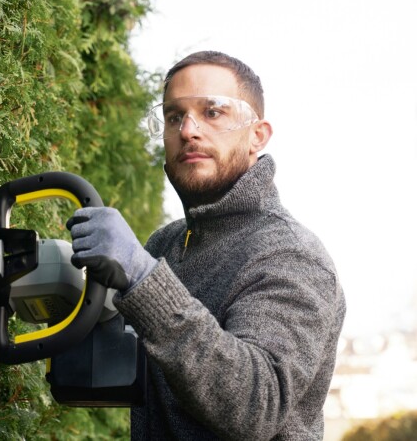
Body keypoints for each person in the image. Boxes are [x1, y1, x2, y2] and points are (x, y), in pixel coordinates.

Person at [67, 51, 346, 440]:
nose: (188, 130)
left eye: (213, 112)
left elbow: (255, 405)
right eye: (174, 116)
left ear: (257, 135)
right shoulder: (166, 243)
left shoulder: (290, 254)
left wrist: (143, 279)